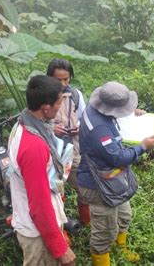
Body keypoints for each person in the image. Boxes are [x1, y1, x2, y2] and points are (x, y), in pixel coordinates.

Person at [77, 81, 154, 265]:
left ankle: (120, 249)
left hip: (113, 181)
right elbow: (118, 158)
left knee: (124, 216)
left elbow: (116, 119)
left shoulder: (97, 109)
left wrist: (134, 115)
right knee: (105, 232)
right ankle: (102, 258)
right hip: (98, 185)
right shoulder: (100, 130)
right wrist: (142, 147)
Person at [8, 75, 75, 266]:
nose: (59, 107)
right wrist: (60, 248)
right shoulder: (34, 146)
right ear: (46, 107)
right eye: (59, 103)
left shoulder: (22, 124)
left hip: (29, 220)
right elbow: (39, 204)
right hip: (36, 232)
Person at [46, 58, 90, 225]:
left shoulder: (76, 95)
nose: (63, 83)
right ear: (50, 78)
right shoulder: (43, 96)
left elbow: (84, 118)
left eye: (66, 78)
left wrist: (79, 127)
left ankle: (86, 223)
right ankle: (60, 224)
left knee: (83, 188)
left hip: (73, 149)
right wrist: (52, 129)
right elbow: (34, 122)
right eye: (59, 80)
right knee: (55, 189)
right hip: (52, 153)